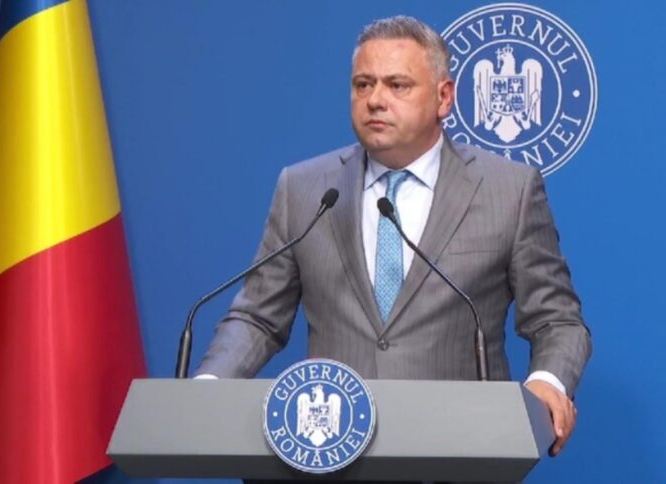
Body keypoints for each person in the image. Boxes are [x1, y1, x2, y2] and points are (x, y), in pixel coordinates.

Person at [196, 15, 591, 458]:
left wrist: (547, 381)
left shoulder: (509, 190)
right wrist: (210, 386)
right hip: (333, 451)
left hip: (462, 450)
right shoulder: (304, 189)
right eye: (363, 85)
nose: (375, 100)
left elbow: (557, 319)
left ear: (444, 97)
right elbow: (258, 317)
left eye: (397, 85)